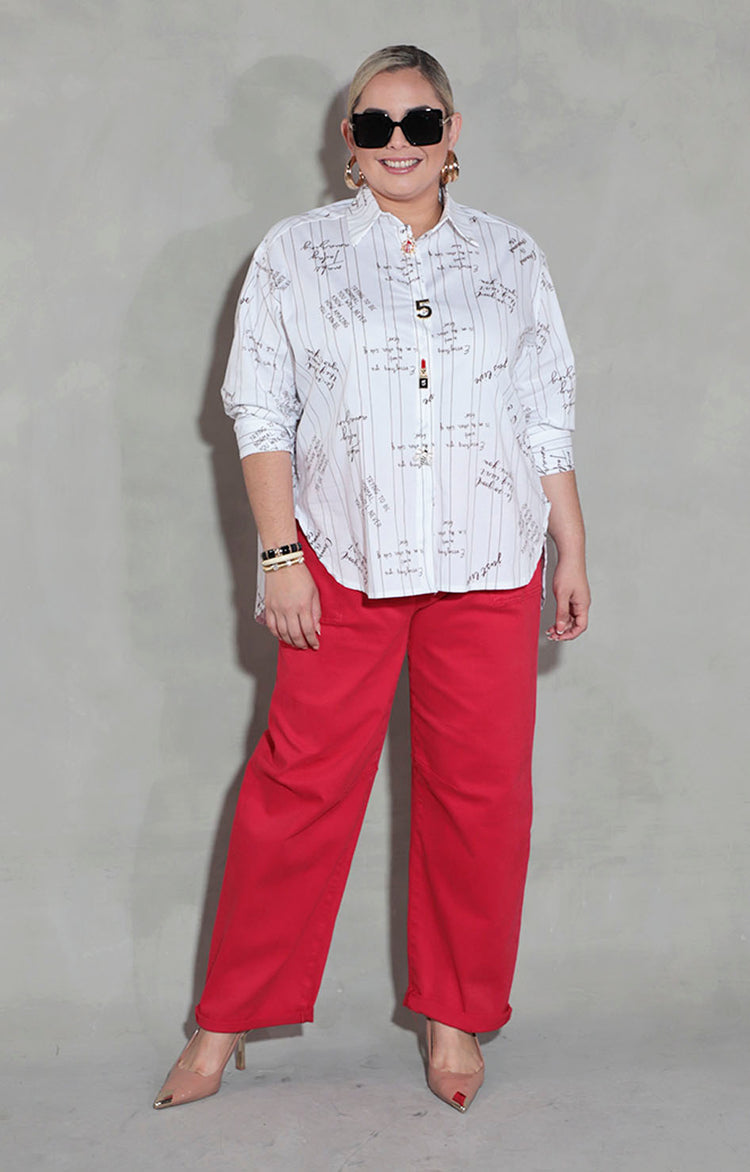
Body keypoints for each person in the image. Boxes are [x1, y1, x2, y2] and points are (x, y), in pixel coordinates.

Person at [153, 44, 590, 1114]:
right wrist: (279, 556)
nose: (401, 142)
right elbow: (260, 412)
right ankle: (223, 1021)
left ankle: (455, 1015)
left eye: (420, 121)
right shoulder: (295, 255)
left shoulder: (511, 256)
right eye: (376, 124)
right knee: (295, 790)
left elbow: (544, 411)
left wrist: (571, 544)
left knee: (482, 796)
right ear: (349, 142)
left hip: (489, 560)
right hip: (341, 561)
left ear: (452, 135)